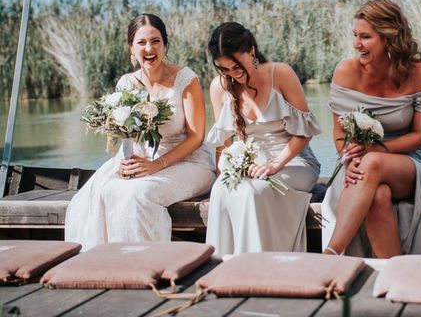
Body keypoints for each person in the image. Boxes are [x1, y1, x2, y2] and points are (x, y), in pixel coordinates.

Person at [66, 13, 215, 250]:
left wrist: (158, 165)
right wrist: (127, 161)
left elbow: (197, 137)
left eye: (156, 41)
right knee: (104, 191)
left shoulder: (186, 79)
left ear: (165, 44)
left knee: (139, 193)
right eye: (141, 42)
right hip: (144, 160)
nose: (149, 48)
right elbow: (126, 136)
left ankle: (149, 260)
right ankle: (112, 260)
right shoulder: (126, 84)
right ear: (131, 48)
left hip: (190, 163)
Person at [321, 0, 421, 258]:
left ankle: (331, 254)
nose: (356, 44)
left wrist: (376, 148)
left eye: (365, 37)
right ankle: (393, 270)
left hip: (405, 165)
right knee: (378, 196)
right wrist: (347, 159)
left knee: (372, 161)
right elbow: (340, 134)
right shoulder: (345, 72)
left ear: (389, 38)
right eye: (355, 36)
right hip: (357, 164)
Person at [205, 22, 321, 255]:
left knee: (252, 191)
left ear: (251, 51)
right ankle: (226, 265)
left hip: (292, 161)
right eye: (224, 69)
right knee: (221, 189)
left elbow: (304, 133)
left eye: (236, 66)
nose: (232, 74)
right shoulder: (219, 87)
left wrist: (274, 164)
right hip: (250, 165)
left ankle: (260, 263)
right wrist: (232, 166)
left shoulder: (281, 74)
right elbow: (227, 142)